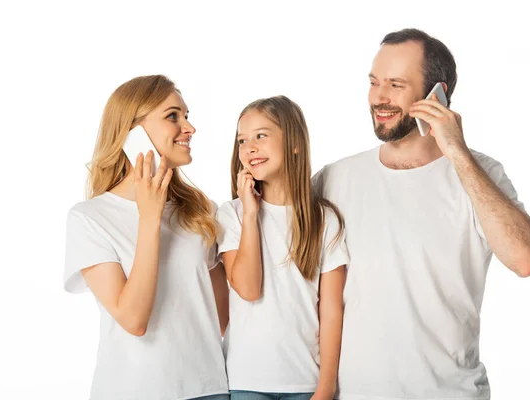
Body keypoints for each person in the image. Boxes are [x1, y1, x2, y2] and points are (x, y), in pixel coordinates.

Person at [313, 29, 530, 400]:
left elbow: (526, 259)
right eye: (374, 82)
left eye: (395, 84)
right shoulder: (333, 179)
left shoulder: (480, 174)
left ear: (436, 96)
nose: (379, 97)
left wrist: (457, 152)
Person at [63, 75, 229, 400]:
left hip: (207, 389)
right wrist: (149, 217)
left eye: (187, 115)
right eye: (173, 116)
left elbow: (219, 316)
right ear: (132, 132)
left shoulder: (201, 210)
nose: (189, 127)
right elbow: (134, 320)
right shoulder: (89, 218)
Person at [216, 95, 349, 400]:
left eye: (261, 136)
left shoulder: (324, 219)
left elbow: (331, 312)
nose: (249, 148)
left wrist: (326, 387)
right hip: (245, 381)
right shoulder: (232, 214)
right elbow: (248, 289)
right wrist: (250, 214)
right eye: (242, 140)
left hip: (305, 383)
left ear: (294, 143)